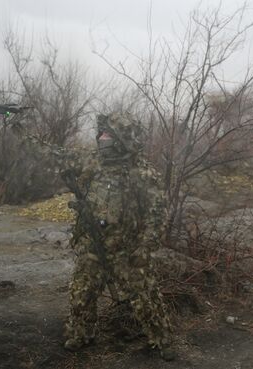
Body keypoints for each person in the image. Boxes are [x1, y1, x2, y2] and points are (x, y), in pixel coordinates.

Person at [62, 113, 175, 361]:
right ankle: (82, 334)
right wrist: (22, 133)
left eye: (107, 134)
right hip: (93, 243)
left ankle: (162, 339)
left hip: (127, 250)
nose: (101, 138)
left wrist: (145, 249)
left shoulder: (142, 174)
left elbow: (157, 216)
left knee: (145, 298)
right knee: (82, 292)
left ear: (121, 139)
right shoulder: (95, 163)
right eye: (100, 133)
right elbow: (58, 155)